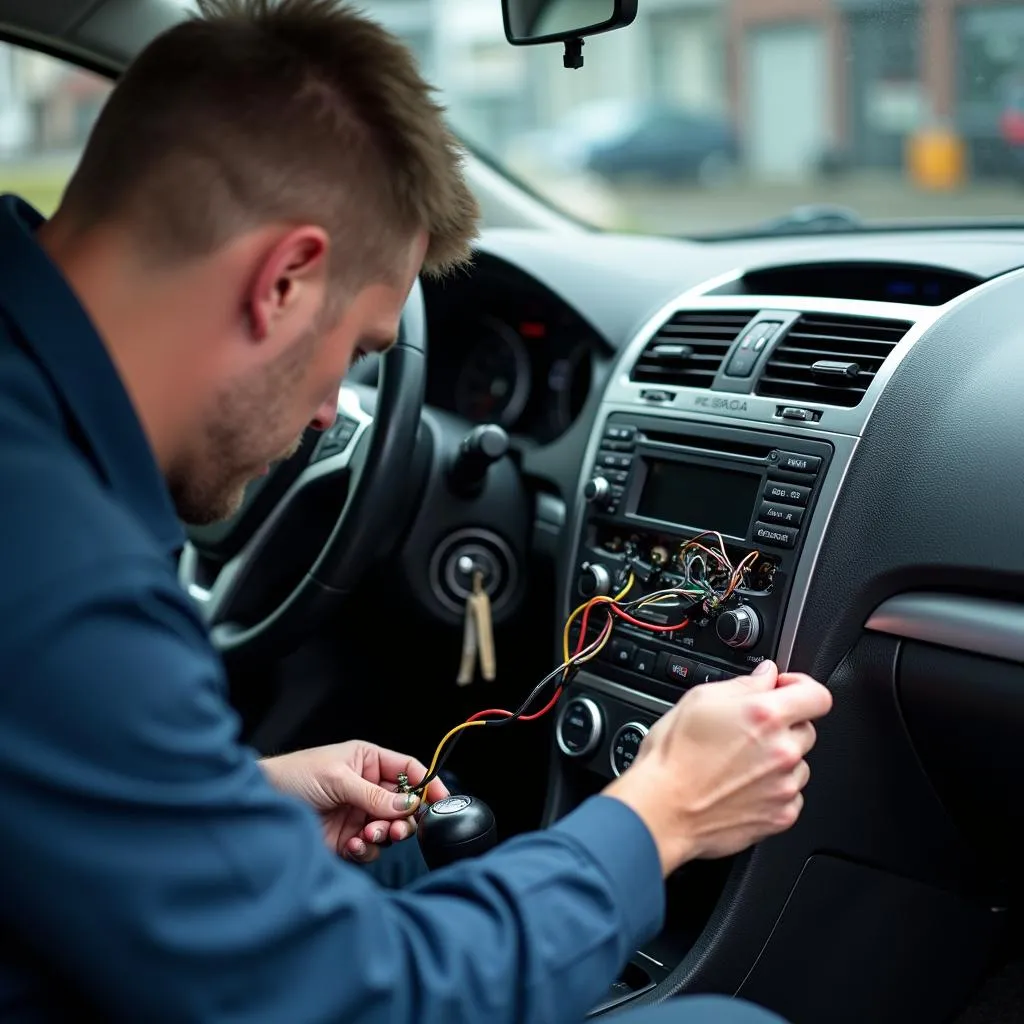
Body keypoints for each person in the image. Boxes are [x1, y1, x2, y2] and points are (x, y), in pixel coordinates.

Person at [0, 0, 833, 1021]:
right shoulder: (58, 563)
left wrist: (229, 799)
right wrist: (658, 815)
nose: (323, 419)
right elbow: (348, 998)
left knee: (398, 879)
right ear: (285, 280)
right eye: (356, 352)